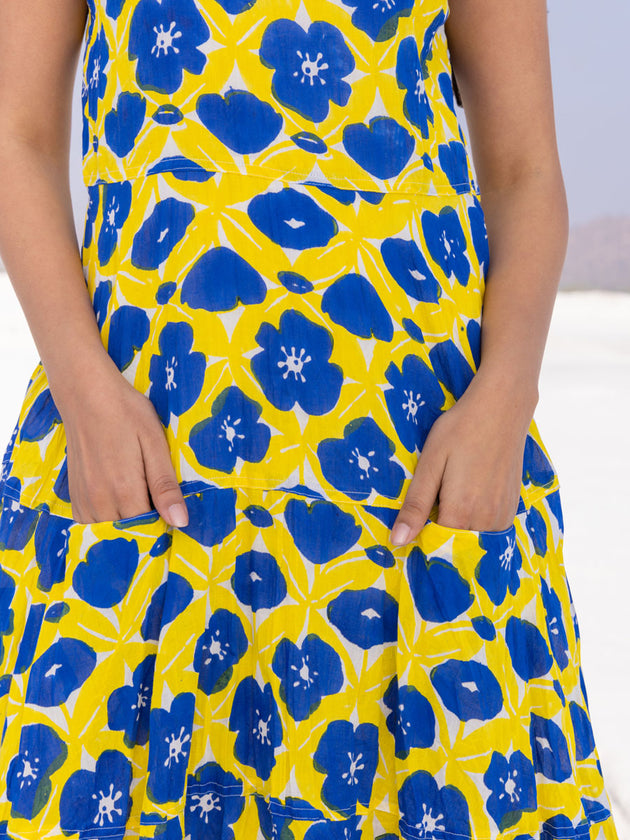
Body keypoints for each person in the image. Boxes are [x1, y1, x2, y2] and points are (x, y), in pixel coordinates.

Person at [0, 0, 619, 837]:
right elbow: (16, 136)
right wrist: (83, 394)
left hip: (417, 478)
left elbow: (524, 170)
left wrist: (506, 401)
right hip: (140, 467)